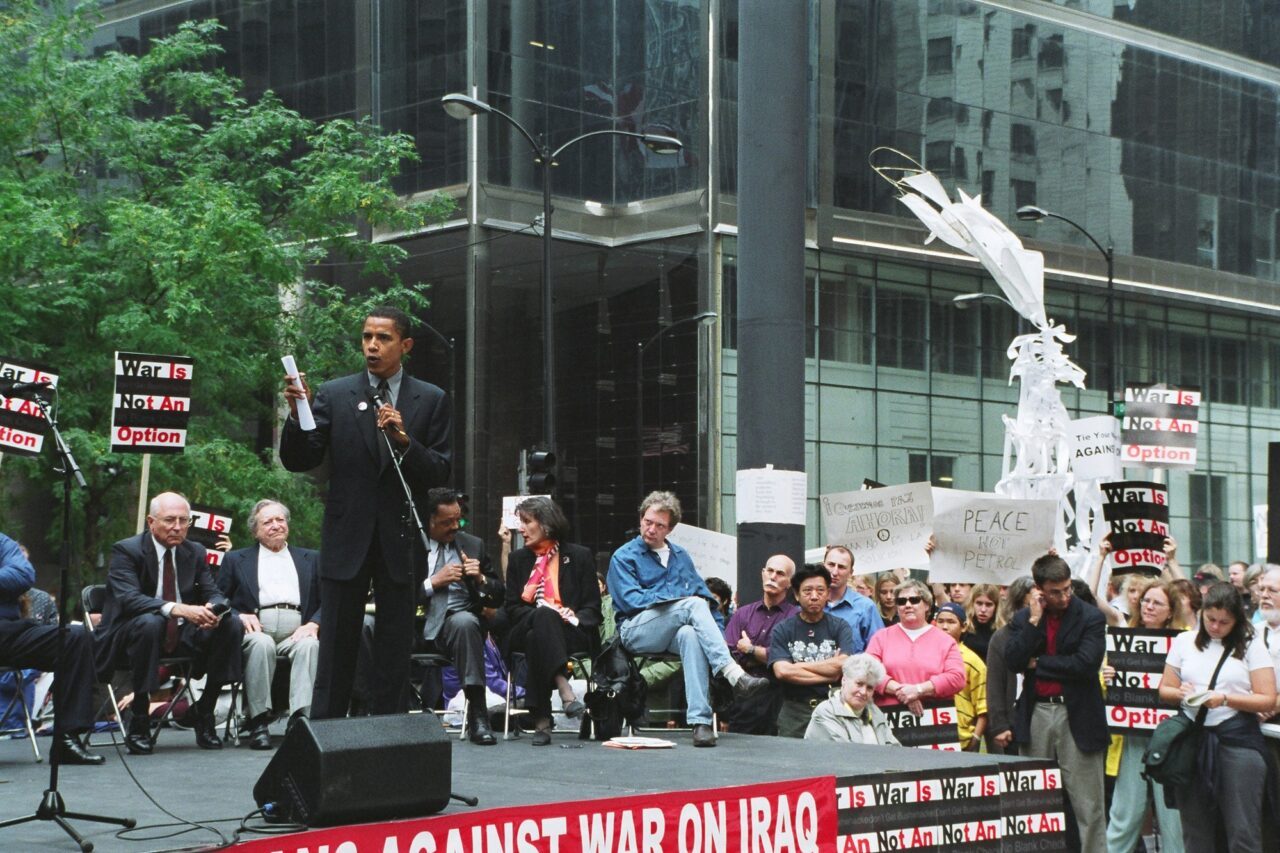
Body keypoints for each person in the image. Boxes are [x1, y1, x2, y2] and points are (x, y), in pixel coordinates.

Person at [280, 305, 451, 718]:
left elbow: (441, 471)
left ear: (405, 345)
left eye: (383, 338)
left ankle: (389, 740)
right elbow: (300, 459)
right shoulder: (336, 394)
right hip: (346, 539)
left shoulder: (430, 399)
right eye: (367, 337)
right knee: (337, 644)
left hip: (400, 539)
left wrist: (406, 442)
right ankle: (325, 735)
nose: (372, 346)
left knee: (394, 648)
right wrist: (296, 414)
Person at [608, 491, 768, 748]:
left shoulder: (680, 555)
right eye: (648, 521)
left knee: (692, 634)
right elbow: (632, 601)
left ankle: (700, 722)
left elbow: (708, 602)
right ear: (640, 519)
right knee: (691, 604)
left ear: (670, 529)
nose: (651, 529)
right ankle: (732, 674)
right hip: (634, 629)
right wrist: (679, 596)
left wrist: (714, 638)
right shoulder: (623, 556)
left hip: (673, 631)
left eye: (659, 525)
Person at [95, 492, 244, 754]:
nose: (177, 527)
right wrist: (179, 609)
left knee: (231, 623)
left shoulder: (194, 551)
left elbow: (214, 591)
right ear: (151, 522)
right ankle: (139, 713)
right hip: (133, 637)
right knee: (150, 623)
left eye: (183, 521)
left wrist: (213, 610)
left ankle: (204, 709)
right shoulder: (126, 550)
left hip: (182, 637)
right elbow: (130, 600)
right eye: (169, 520)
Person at [1158, 582, 1277, 853]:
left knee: (1243, 832)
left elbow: (1267, 698)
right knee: (1195, 831)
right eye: (1210, 619)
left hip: (1237, 739)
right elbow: (1164, 689)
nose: (1215, 627)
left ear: (1236, 621)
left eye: (1224, 622)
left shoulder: (1250, 644)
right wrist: (1180, 693)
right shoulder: (1184, 641)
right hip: (1193, 740)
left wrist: (1224, 698)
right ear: (1202, 613)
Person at [1004, 554, 1108, 852]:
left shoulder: (1090, 616)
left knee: (1089, 806)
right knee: (1033, 801)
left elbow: (1086, 664)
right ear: (1039, 589)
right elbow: (1013, 661)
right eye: (1055, 591)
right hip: (1036, 712)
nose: (1063, 596)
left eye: (1067, 589)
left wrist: (1038, 663)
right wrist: (1035, 621)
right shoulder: (1026, 619)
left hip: (1077, 715)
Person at [217, 499, 321, 750]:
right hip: (256, 630)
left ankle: (300, 720)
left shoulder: (312, 558)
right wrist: (239, 616)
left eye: (280, 520)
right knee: (261, 644)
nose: (276, 525)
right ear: (255, 530)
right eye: (268, 522)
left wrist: (315, 623)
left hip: (296, 630)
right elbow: (219, 599)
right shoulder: (236, 559)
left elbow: (329, 600)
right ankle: (258, 721)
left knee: (310, 646)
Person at [0, 532, 103, 765]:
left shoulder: (1, 542)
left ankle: (67, 739)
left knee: (74, 638)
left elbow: (23, 574)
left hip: (8, 630)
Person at [505, 497, 600, 746]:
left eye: (526, 522)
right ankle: (564, 689)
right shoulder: (517, 559)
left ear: (546, 524)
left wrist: (574, 616)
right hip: (525, 625)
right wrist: (546, 613)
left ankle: (541, 720)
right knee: (544, 616)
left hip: (569, 633)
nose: (521, 529)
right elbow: (513, 608)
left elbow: (593, 608)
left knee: (536, 637)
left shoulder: (579, 556)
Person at [1104, 578, 1189, 853]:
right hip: (1133, 736)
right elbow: (1104, 684)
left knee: (1173, 815)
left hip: (1172, 738)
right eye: (1146, 601)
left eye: (1157, 603)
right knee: (1125, 812)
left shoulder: (1185, 640)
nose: (1149, 607)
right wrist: (1106, 676)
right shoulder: (1123, 637)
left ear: (1170, 610)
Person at [421, 488, 504, 744]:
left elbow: (499, 596)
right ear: (429, 521)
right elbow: (390, 590)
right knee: (367, 625)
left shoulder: (472, 545)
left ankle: (478, 715)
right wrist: (432, 582)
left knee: (465, 622)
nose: (455, 526)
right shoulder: (410, 545)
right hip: (415, 624)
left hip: (457, 624)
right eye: (447, 522)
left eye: (459, 520)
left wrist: (480, 579)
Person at [768, 564, 855, 738]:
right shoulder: (782, 629)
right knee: (791, 762)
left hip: (832, 708)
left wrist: (798, 666)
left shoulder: (840, 627)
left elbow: (842, 665)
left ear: (828, 594)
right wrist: (830, 674)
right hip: (794, 712)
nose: (814, 596)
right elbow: (783, 671)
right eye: (807, 591)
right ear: (797, 595)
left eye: (820, 590)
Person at [866, 579, 965, 719]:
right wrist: (901, 691)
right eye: (901, 601)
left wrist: (919, 690)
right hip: (888, 719)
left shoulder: (945, 641)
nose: (907, 605)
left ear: (926, 605)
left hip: (935, 721)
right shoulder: (881, 637)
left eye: (914, 600)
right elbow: (868, 671)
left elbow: (957, 678)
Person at [722, 554, 797, 734]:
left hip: (778, 698)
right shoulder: (742, 614)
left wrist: (750, 650)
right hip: (742, 700)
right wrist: (766, 656)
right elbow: (728, 653)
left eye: (780, 573)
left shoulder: (795, 617)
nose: (773, 577)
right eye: (770, 571)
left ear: (789, 582)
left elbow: (789, 658)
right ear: (763, 573)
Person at [986, 576, 1036, 755]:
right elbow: (995, 684)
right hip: (1013, 720)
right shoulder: (1002, 638)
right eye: (1029, 605)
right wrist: (999, 725)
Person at [804, 654, 900, 746]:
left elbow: (893, 751)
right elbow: (846, 756)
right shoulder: (826, 712)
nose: (863, 692)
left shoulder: (875, 712)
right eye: (859, 683)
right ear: (844, 680)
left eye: (869, 688)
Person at [932, 602, 987, 752]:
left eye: (951, 622)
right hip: (930, 734)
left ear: (963, 627)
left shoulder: (973, 660)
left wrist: (975, 738)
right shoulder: (926, 655)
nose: (944, 627)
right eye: (941, 621)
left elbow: (983, 706)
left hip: (961, 739)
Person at [820, 546, 884, 653]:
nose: (835, 572)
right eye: (831, 565)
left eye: (841, 567)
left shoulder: (865, 607)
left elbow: (878, 650)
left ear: (851, 572)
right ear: (823, 566)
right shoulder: (809, 604)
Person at [961, 583, 999, 662]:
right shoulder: (963, 627)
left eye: (989, 605)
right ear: (972, 603)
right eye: (979, 603)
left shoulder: (1002, 630)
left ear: (996, 606)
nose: (983, 610)